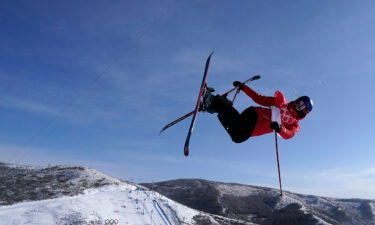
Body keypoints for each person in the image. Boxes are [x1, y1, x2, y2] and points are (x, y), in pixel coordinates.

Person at [201, 81, 313, 143]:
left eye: (302, 106)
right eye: (299, 101)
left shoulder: (293, 124)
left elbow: (289, 135)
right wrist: (244, 88)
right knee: (239, 126)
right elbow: (259, 98)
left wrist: (280, 128)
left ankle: (215, 105)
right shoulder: (281, 103)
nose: (298, 105)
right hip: (255, 115)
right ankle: (213, 101)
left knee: (237, 137)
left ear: (304, 112)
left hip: (254, 130)